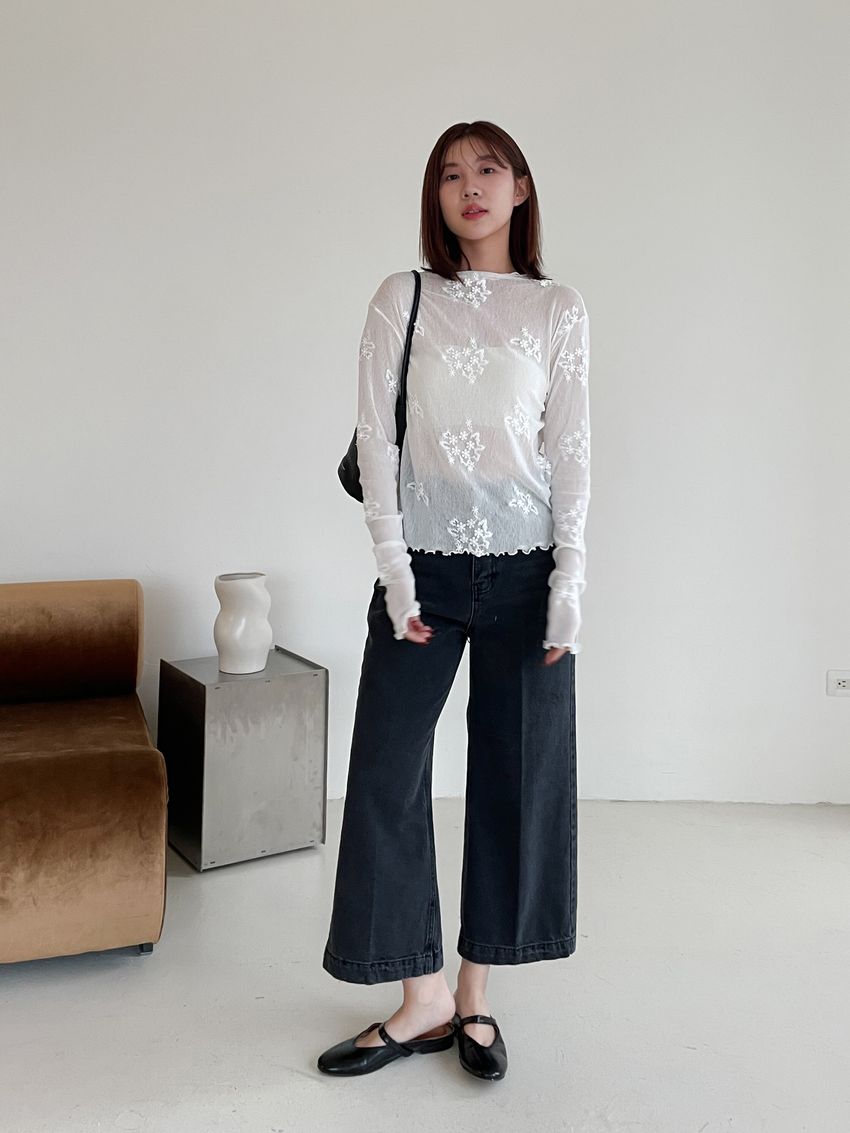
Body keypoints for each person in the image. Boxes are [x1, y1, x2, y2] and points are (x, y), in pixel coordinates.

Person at [318, 120, 590, 1081]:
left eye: (487, 169)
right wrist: (395, 574)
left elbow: (570, 451)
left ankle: (474, 991)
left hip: (526, 572)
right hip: (424, 569)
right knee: (386, 771)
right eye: (448, 174)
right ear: (435, 198)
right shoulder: (404, 298)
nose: (468, 186)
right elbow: (376, 443)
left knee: (517, 774)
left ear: (520, 187)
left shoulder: (558, 308)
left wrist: (569, 583)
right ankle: (420, 996)